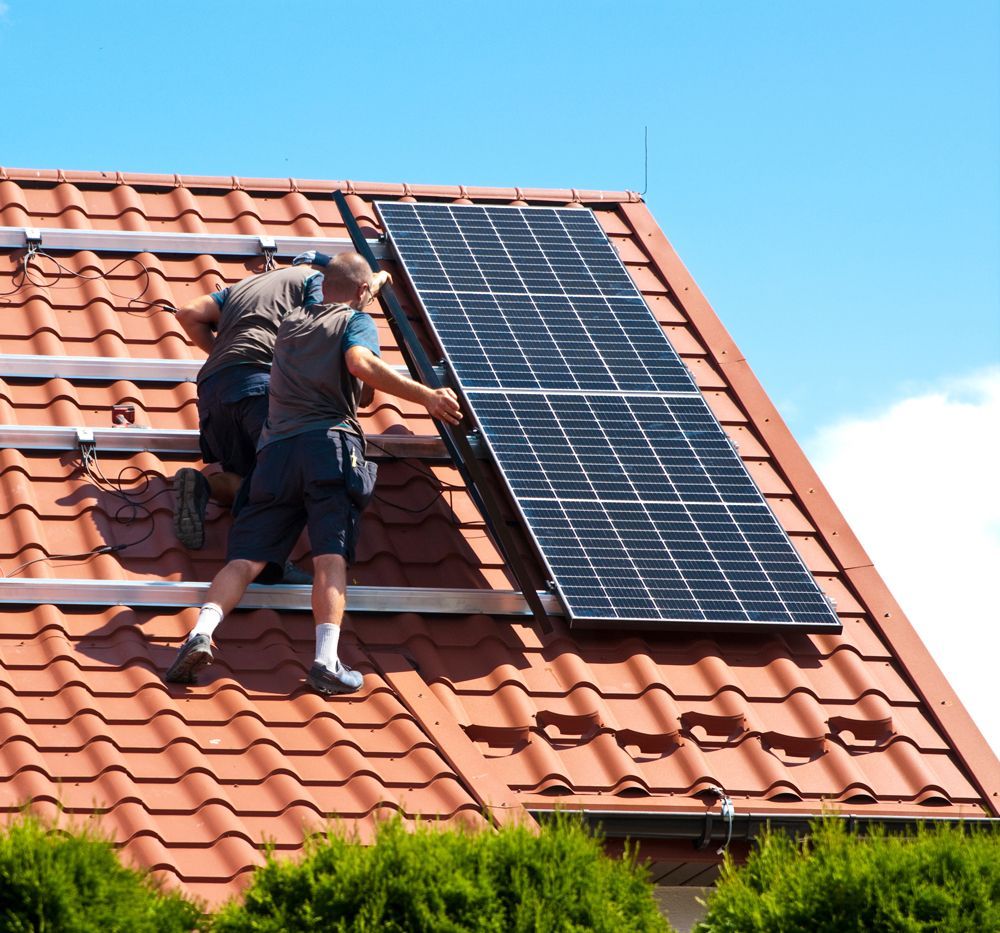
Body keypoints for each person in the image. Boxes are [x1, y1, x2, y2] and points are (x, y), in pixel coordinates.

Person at [163, 252, 462, 695]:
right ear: (362, 294)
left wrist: (366, 282)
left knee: (244, 559)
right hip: (327, 445)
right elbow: (360, 365)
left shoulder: (290, 325)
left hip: (276, 453)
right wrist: (426, 396)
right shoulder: (353, 321)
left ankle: (200, 633)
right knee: (329, 556)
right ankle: (325, 660)